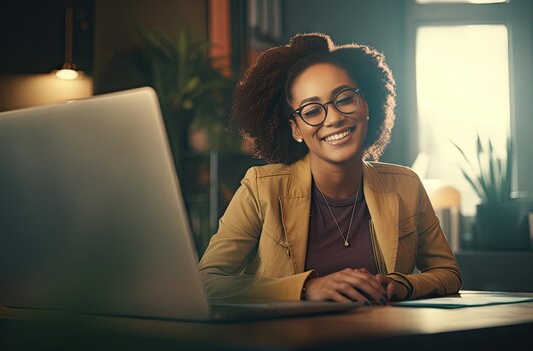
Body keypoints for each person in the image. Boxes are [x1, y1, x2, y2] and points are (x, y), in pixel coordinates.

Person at [197, 32, 462, 304]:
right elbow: (207, 281)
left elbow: (448, 273)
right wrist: (305, 289)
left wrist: (404, 285)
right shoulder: (261, 187)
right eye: (312, 111)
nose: (334, 118)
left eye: (345, 99)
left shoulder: (406, 184)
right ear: (296, 129)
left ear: (366, 104)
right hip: (289, 343)